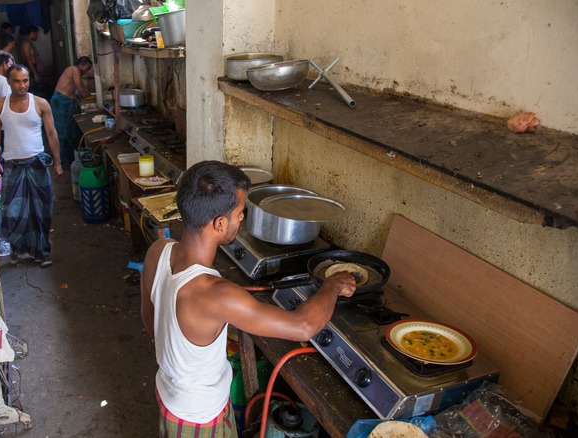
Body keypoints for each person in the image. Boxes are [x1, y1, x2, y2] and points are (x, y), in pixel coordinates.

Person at [140, 161, 356, 437]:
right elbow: (302, 326)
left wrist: (180, 358)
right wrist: (332, 285)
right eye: (240, 213)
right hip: (200, 419)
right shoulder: (216, 294)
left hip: (170, 394)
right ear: (219, 223)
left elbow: (151, 320)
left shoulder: (158, 251)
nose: (242, 219)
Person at [0, 64, 63, 268]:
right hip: (12, 165)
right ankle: (18, 250)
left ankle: (43, 252)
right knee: (13, 211)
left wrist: (57, 162)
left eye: (25, 80)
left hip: (37, 163)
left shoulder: (40, 104)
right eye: (17, 81)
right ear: (8, 81)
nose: (22, 85)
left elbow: (52, 134)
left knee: (41, 211)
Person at [51, 56, 92, 166]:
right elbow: (80, 86)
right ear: (82, 65)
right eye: (87, 69)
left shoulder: (75, 71)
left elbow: (80, 86)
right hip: (60, 102)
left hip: (67, 102)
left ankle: (69, 159)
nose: (86, 72)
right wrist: (89, 97)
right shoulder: (74, 69)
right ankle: (62, 161)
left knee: (70, 131)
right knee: (62, 133)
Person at [19, 25, 45, 94]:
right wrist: (35, 73)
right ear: (32, 33)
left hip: (30, 68)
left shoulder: (25, 42)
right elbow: (29, 59)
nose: (37, 36)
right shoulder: (27, 43)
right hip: (31, 68)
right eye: (36, 34)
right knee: (35, 90)